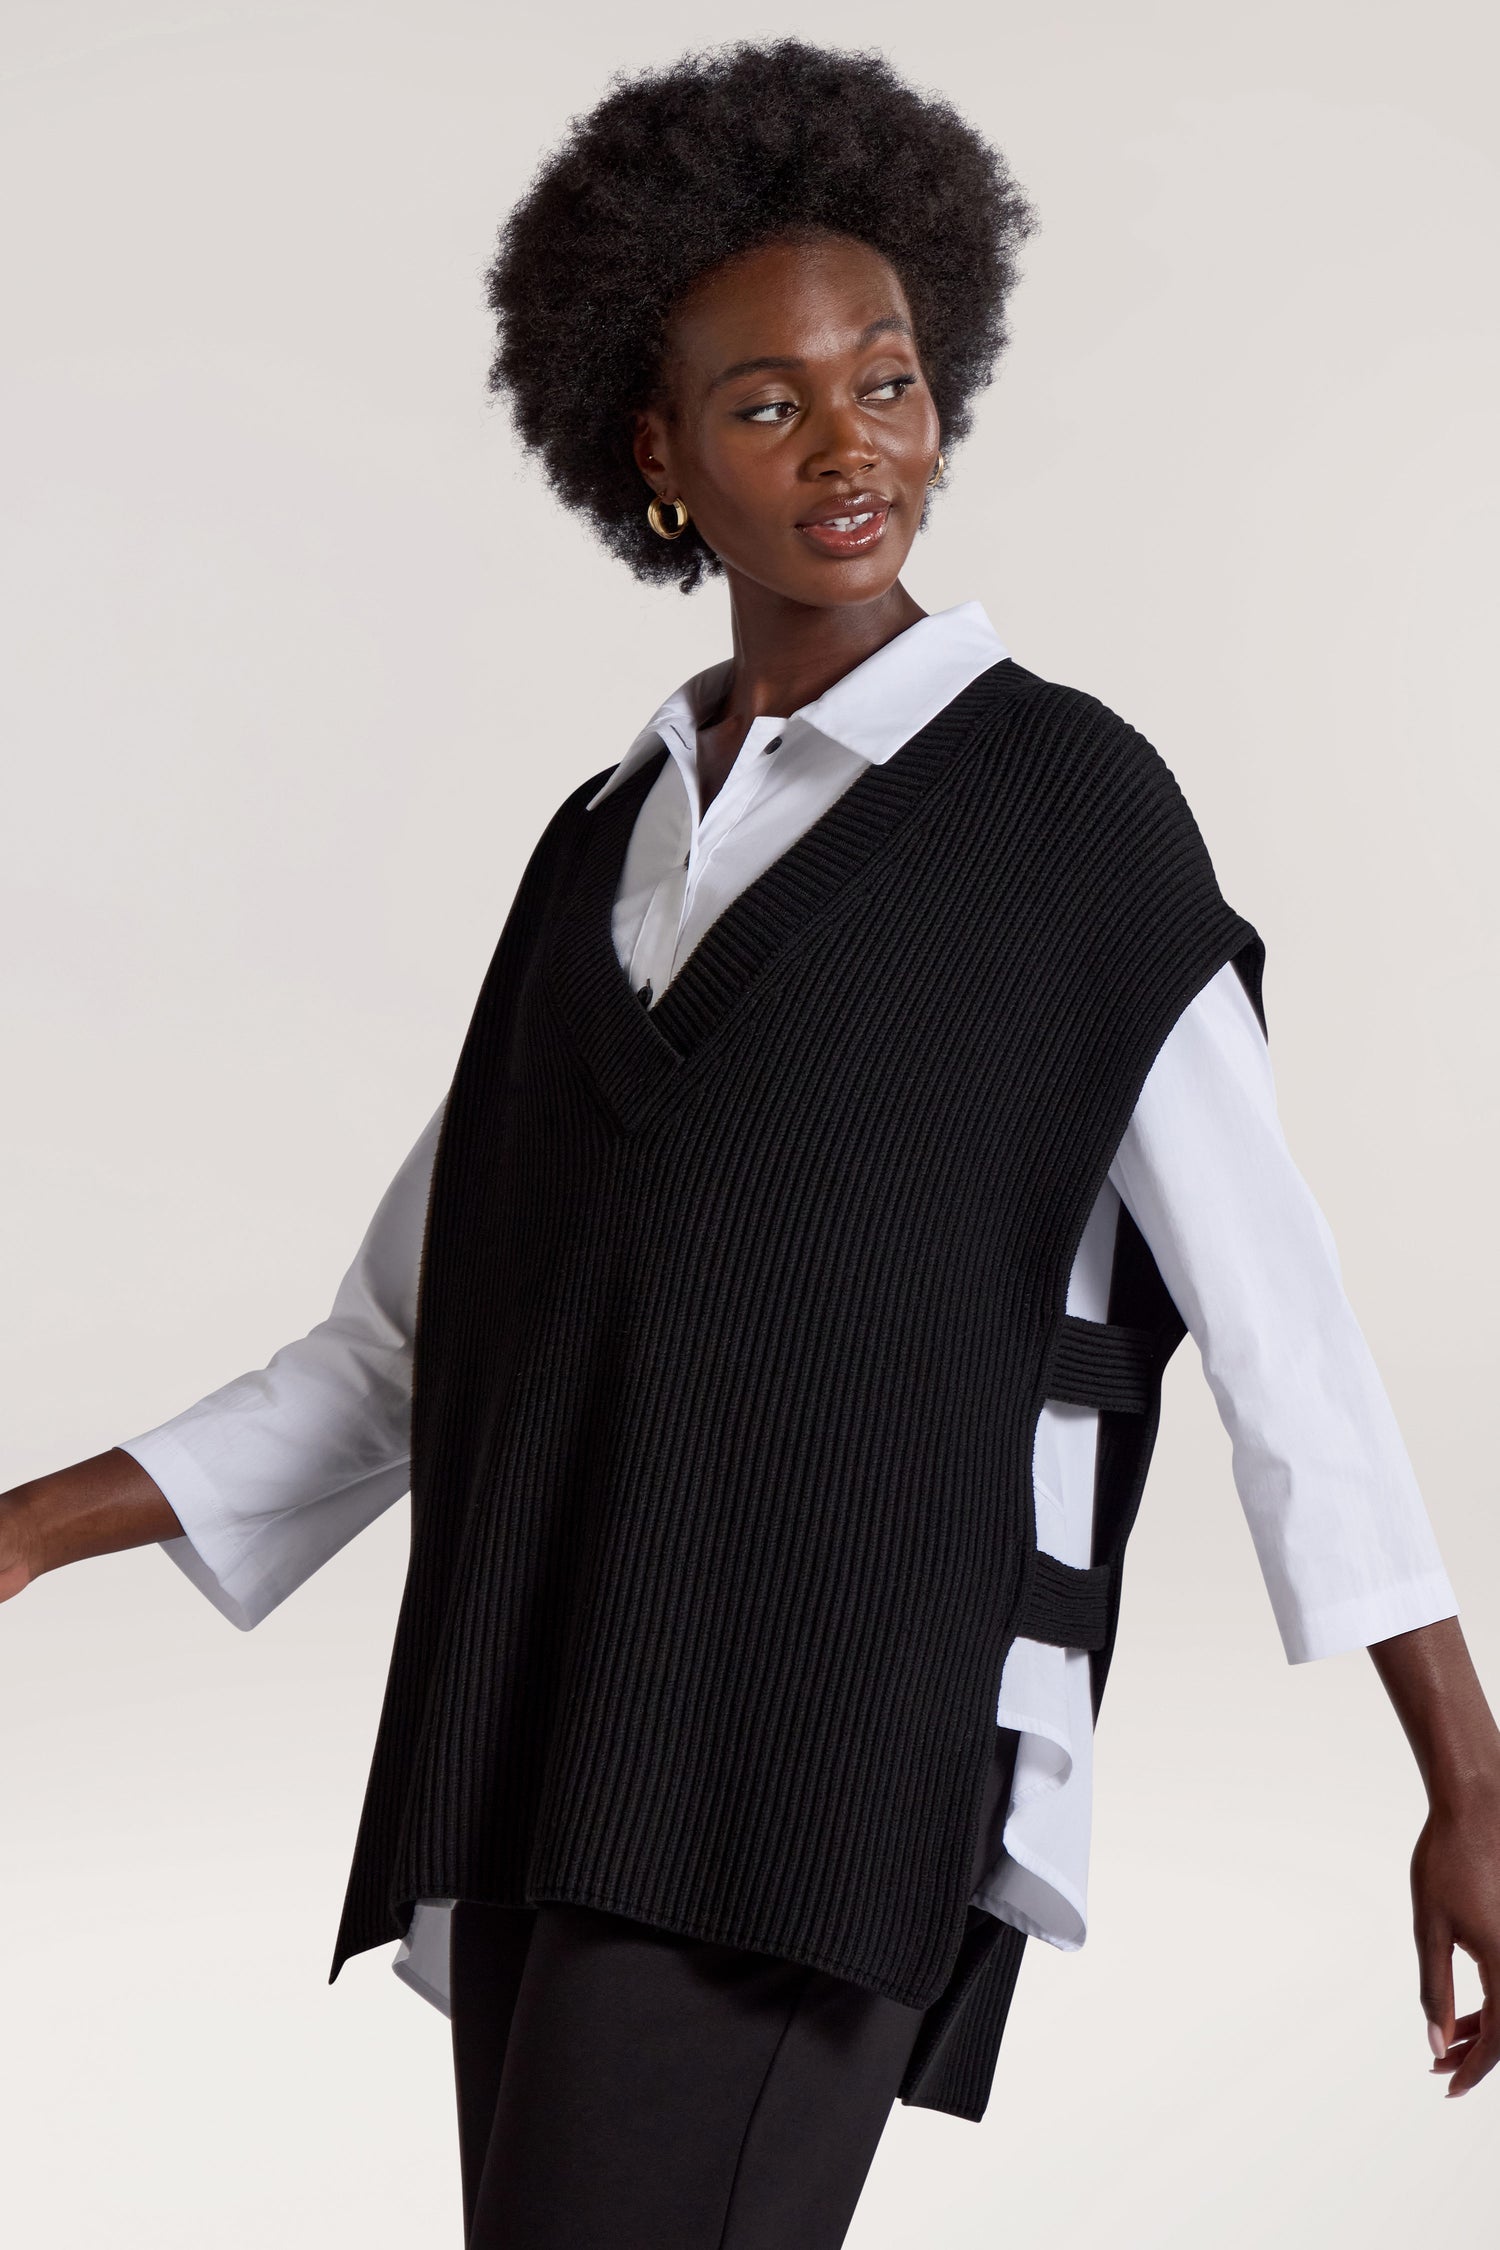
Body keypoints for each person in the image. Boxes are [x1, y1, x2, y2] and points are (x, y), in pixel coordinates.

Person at [4, 36, 1498, 2250]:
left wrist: (1462, 1781)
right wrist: (31, 1533)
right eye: (772, 401)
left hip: (815, 1760)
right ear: (661, 455)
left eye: (885, 381)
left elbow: (1288, 1336)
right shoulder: (600, 853)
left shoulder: (1069, 823)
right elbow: (417, 1348)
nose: (852, 444)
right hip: (553, 1741)